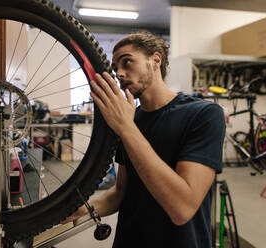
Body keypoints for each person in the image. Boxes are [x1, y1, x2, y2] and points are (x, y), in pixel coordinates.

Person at [62, 32, 225, 247]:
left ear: (155, 60)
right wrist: (85, 209)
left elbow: (182, 208)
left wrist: (126, 127)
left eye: (127, 62)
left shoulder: (203, 114)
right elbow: (120, 193)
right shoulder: (132, 119)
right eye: (115, 67)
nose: (119, 73)